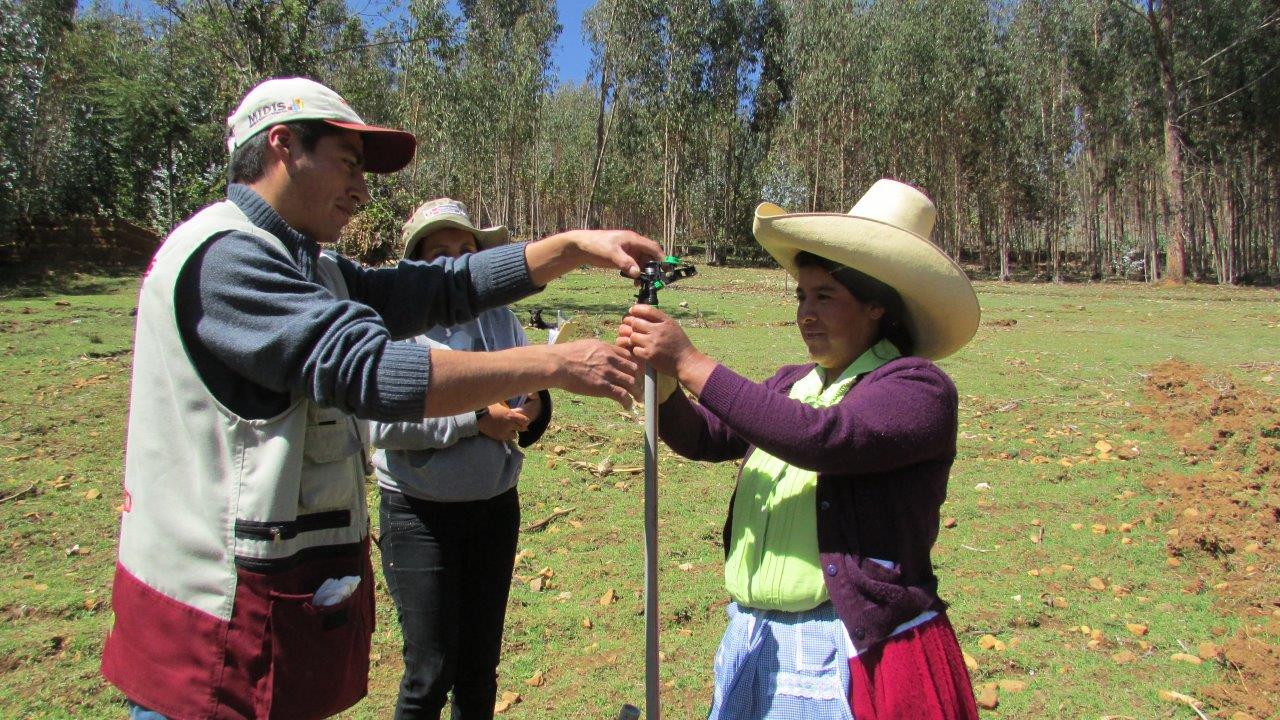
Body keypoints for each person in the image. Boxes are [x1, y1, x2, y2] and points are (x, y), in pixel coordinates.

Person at [100, 77, 661, 720]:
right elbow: (368, 369)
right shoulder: (228, 259)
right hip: (209, 633)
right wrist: (553, 362)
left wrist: (568, 248)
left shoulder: (310, 266)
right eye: (348, 164)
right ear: (282, 145)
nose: (362, 192)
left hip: (264, 617)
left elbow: (435, 288)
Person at [617, 179, 982, 720]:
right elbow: (705, 436)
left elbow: (823, 439)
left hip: (837, 643)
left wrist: (691, 363)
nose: (806, 314)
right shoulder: (794, 384)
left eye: (825, 297)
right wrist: (665, 386)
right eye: (802, 297)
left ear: (878, 306)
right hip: (752, 632)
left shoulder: (917, 389)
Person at [369, 198, 550, 719]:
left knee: (479, 669)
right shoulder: (398, 326)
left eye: (465, 250)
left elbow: (526, 399)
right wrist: (474, 420)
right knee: (429, 673)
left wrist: (533, 407)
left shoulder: (502, 320)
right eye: (439, 251)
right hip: (418, 515)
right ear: (418, 261)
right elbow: (380, 424)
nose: (453, 261)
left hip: (494, 509)